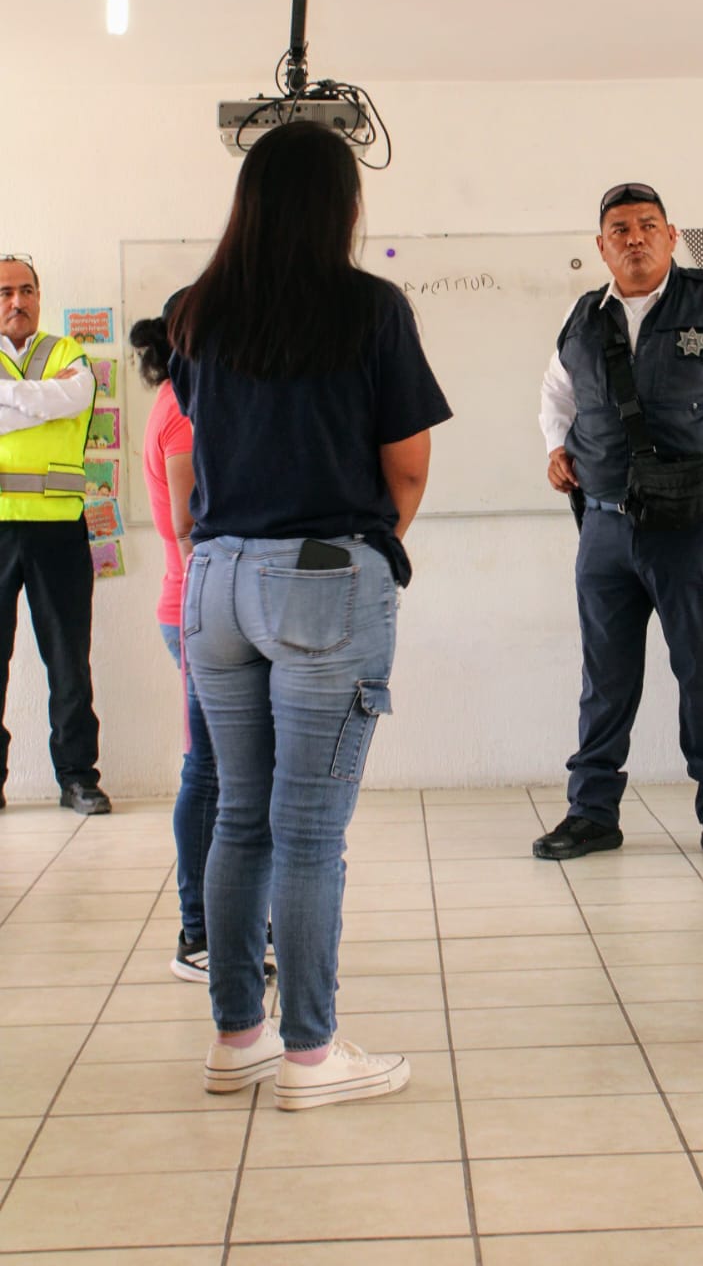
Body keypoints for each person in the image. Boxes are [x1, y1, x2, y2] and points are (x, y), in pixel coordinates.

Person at [169, 122, 451, 1111]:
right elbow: (406, 467)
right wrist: (362, 554)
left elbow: (197, 454)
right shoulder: (369, 308)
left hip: (214, 578)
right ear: (341, 205)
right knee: (307, 831)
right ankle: (311, 1056)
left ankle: (236, 1039)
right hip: (322, 571)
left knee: (239, 817)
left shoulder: (196, 313)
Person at [534, 182, 703, 865]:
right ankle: (592, 813)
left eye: (649, 226)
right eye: (620, 230)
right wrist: (556, 446)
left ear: (673, 236)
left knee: (702, 669)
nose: (635, 239)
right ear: (602, 246)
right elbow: (554, 394)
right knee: (605, 677)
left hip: (689, 523)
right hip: (604, 528)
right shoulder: (583, 317)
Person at [131, 306, 277, 986]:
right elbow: (190, 526)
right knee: (212, 772)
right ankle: (199, 933)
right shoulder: (186, 408)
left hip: (204, 610)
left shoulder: (184, 395)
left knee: (228, 771)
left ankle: (233, 919)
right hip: (200, 612)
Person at [0, 254, 109, 814]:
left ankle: (78, 778)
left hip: (59, 527)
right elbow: (57, 402)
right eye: (4, 292)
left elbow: (76, 397)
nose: (17, 302)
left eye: (26, 290)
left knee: (69, 661)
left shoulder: (70, 353)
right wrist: (43, 400)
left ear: (39, 296)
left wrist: (10, 397)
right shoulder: (58, 367)